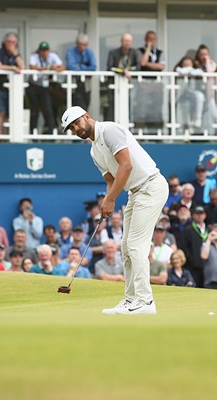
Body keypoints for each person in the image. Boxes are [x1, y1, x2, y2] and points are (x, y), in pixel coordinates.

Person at [62, 105, 168, 315]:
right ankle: (131, 300)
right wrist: (106, 202)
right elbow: (110, 179)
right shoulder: (94, 151)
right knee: (126, 248)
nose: (76, 129)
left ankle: (146, 302)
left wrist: (110, 200)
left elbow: (126, 166)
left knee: (137, 246)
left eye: (76, 123)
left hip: (151, 186)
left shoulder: (109, 130)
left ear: (87, 116)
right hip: (135, 193)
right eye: (71, 128)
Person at [0, 32, 25, 135]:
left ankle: (9, 136)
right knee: (0, 112)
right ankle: (0, 136)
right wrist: (13, 68)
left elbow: (22, 66)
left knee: (10, 113)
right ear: (4, 42)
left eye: (13, 42)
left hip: (12, 88)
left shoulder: (16, 54)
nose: (10, 44)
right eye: (9, 42)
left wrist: (15, 54)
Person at [27, 41, 65, 134]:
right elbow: (32, 67)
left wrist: (56, 69)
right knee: (34, 110)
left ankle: (51, 132)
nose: (44, 52)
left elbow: (62, 67)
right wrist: (48, 68)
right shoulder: (34, 57)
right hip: (33, 85)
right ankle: (32, 134)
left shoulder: (53, 56)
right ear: (39, 51)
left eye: (46, 50)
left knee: (48, 109)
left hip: (44, 87)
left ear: (49, 51)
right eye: (42, 50)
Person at [136, 31, 166, 131]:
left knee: (156, 109)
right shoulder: (140, 51)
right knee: (142, 108)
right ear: (145, 39)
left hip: (156, 84)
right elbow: (143, 62)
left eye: (153, 39)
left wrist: (149, 64)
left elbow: (161, 66)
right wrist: (148, 49)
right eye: (149, 39)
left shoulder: (160, 52)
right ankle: (139, 133)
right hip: (144, 83)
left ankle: (156, 134)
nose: (151, 41)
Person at [179, 206, 209, 288]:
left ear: (205, 215)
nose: (199, 216)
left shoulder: (209, 230)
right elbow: (184, 247)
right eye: (197, 214)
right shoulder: (187, 230)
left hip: (207, 266)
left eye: (201, 213)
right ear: (193, 215)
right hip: (193, 267)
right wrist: (192, 260)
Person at [65, 33, 97, 110]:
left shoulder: (89, 52)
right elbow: (71, 67)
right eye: (81, 44)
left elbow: (93, 67)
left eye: (85, 44)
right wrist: (86, 67)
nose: (83, 47)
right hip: (75, 84)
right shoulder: (71, 52)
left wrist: (81, 66)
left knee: (86, 105)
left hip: (86, 85)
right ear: (77, 44)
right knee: (81, 108)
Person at [193, 44, 217, 129]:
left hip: (209, 92)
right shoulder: (195, 64)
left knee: (214, 112)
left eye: (206, 54)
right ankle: (198, 120)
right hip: (197, 90)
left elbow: (209, 72)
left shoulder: (212, 64)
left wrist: (207, 62)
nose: (204, 56)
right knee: (199, 98)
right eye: (202, 54)